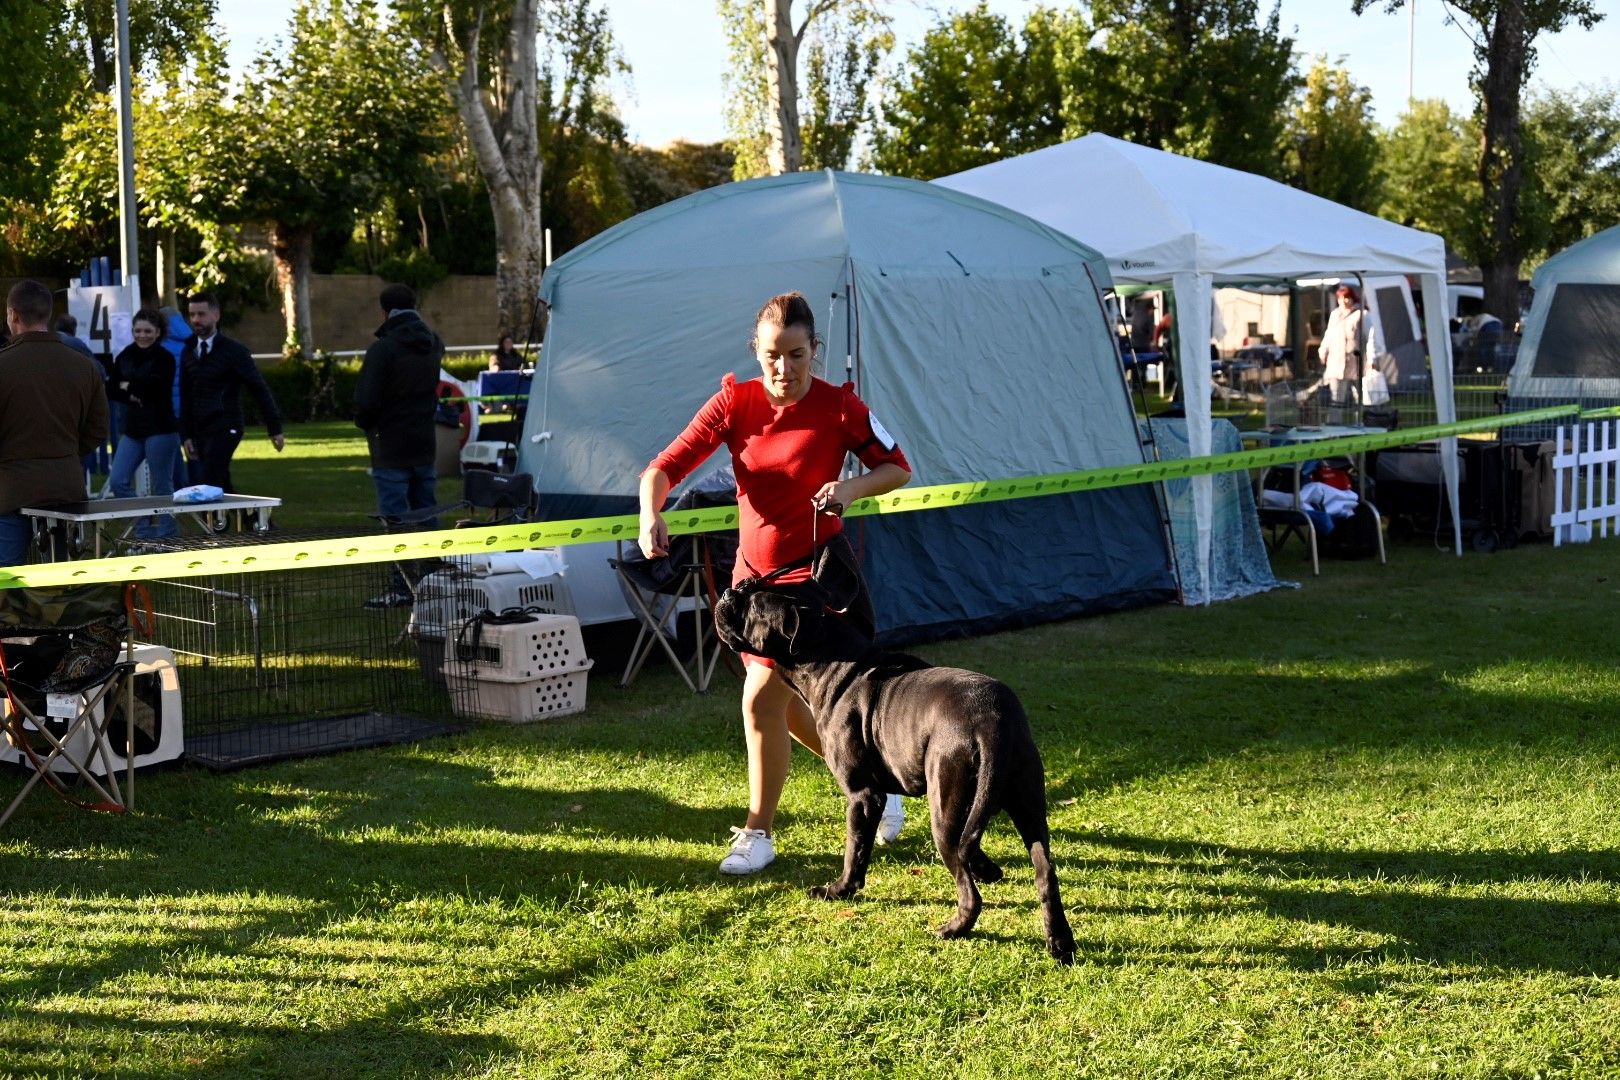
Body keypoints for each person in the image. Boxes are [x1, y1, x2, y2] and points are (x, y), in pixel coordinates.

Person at [638, 291, 913, 875]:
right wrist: (650, 512)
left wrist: (849, 489)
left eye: (795, 355)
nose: (782, 369)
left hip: (816, 585)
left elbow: (897, 468)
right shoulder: (732, 403)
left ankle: (758, 832)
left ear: (815, 350)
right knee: (785, 711)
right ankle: (877, 786)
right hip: (753, 589)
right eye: (771, 356)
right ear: (756, 353)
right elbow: (663, 468)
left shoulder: (842, 407)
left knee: (762, 699)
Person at [0, 281, 109, 565]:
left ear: (13, 315)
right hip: (65, 485)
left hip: (10, 489)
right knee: (59, 578)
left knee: (6, 578)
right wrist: (65, 451)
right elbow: (98, 429)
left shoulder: (4, 364)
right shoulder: (83, 365)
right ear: (47, 315)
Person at [354, 283, 445, 609]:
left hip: (390, 444)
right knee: (428, 512)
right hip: (423, 440)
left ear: (385, 311)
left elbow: (366, 400)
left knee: (396, 518)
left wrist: (367, 423)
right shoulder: (434, 343)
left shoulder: (383, 350)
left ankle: (402, 586)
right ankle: (437, 580)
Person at [179, 291, 285, 491]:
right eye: (192, 315)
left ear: (215, 316)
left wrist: (275, 429)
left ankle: (215, 522)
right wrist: (186, 435)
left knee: (210, 479)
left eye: (201, 314)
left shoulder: (234, 352)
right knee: (221, 482)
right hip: (201, 428)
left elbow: (259, 389)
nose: (195, 320)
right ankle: (255, 521)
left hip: (227, 425)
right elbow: (187, 395)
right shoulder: (188, 351)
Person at [106, 309, 182, 539]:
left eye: (148, 331)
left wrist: (127, 387)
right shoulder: (125, 355)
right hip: (133, 430)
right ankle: (144, 531)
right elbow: (110, 388)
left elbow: (153, 390)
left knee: (162, 487)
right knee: (118, 481)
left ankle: (168, 534)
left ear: (158, 332)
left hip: (161, 429)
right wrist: (133, 389)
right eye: (137, 330)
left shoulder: (164, 358)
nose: (142, 335)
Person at [1319, 283, 1366, 421]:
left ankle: (1361, 422)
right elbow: (1328, 335)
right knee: (1336, 397)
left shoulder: (1360, 314)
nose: (1344, 301)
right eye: (1341, 298)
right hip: (1336, 361)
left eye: (1347, 298)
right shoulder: (1335, 315)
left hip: (1354, 362)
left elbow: (1368, 337)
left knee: (1360, 396)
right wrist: (1323, 350)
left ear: (1352, 298)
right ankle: (1334, 425)